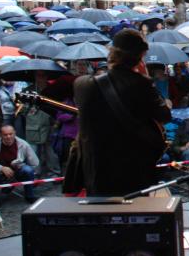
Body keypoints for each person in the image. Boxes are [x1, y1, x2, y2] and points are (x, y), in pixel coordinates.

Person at [70, 29, 170, 196]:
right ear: (141, 56)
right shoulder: (142, 84)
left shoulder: (82, 85)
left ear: (111, 52)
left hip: (96, 168)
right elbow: (164, 115)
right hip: (133, 168)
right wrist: (145, 77)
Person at [0, 124, 39, 206]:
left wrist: (21, 166)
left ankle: (30, 195)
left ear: (15, 133)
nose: (8, 137)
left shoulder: (23, 144)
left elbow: (35, 163)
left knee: (28, 170)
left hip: (18, 171)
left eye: (11, 134)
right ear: (0, 135)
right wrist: (1, 168)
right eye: (5, 134)